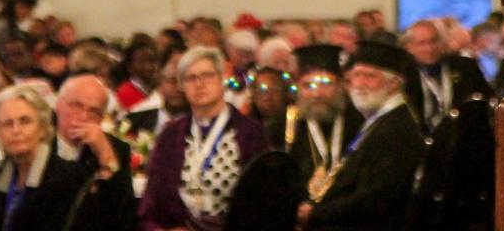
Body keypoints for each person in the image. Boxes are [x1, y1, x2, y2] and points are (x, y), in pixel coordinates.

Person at [138, 45, 269, 231]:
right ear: (181, 86)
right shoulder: (170, 136)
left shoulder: (250, 133)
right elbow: (150, 207)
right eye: (191, 78)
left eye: (207, 75)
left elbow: (264, 204)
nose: (199, 84)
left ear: (222, 79)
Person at [297, 41, 423, 230]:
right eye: (356, 75)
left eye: (370, 76)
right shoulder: (380, 121)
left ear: (394, 84)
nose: (360, 84)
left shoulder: (397, 129)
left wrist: (317, 214)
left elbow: (376, 198)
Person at [0, 84, 115, 231]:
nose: (16, 130)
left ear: (42, 128)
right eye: (7, 124)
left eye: (25, 121)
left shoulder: (71, 179)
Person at [52, 75, 137, 229]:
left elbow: (124, 214)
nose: (84, 116)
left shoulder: (115, 148)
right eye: (76, 105)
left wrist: (105, 154)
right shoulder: (37, 139)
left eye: (94, 112)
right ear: (58, 104)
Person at [284, 45, 364, 194]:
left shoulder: (360, 122)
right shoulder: (286, 125)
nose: (318, 94)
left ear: (341, 85)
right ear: (298, 88)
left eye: (326, 84)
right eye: (308, 85)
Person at [401, 19, 493, 131]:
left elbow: (488, 100)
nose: (429, 48)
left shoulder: (465, 67)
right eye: (422, 43)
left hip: (462, 137)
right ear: (409, 47)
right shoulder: (403, 75)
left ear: (443, 41)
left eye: (434, 41)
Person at [114, 38, 158, 111]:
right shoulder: (125, 93)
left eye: (152, 60)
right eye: (142, 62)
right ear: (129, 67)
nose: (149, 66)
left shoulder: (157, 89)